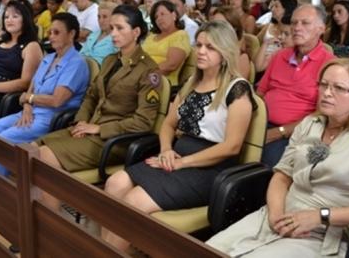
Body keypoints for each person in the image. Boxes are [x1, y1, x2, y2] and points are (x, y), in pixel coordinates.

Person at [208, 59, 349, 258]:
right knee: (204, 251)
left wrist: (321, 216)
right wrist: (275, 215)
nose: (327, 93)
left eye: (338, 88)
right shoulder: (310, 124)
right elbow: (282, 175)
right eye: (324, 85)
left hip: (321, 235)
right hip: (277, 217)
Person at [102, 21, 255, 252]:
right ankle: (104, 250)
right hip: (178, 154)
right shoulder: (191, 83)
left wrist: (183, 162)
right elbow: (168, 125)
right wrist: (166, 150)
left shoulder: (237, 89)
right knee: (114, 183)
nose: (201, 51)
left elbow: (231, 147)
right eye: (199, 45)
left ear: (225, 52)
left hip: (211, 167)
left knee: (134, 200)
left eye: (210, 47)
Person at [35, 4, 163, 210]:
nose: (113, 33)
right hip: (91, 129)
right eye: (111, 28)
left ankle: (51, 224)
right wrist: (82, 120)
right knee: (31, 149)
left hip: (114, 139)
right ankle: (42, 218)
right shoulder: (111, 60)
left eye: (120, 28)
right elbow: (92, 95)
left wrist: (99, 129)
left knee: (45, 156)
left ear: (136, 32)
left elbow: (143, 122)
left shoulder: (148, 71)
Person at [0, 13, 90, 176]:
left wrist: (28, 99)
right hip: (29, 112)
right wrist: (27, 106)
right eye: (50, 32)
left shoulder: (76, 63)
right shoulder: (48, 58)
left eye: (57, 32)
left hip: (51, 118)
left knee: (1, 143)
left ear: (71, 34)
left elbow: (57, 101)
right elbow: (31, 88)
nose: (51, 36)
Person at [257, 4, 335, 166]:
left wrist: (280, 132)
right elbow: (260, 93)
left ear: (321, 28)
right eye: (294, 23)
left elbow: (321, 114)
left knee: (266, 163)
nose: (297, 28)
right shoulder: (280, 56)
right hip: (261, 122)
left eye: (305, 23)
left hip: (296, 132)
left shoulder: (329, 65)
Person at [142, 0, 191, 86]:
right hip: (140, 79)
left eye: (162, 14)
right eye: (156, 17)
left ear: (174, 15)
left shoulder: (180, 35)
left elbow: (171, 65)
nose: (159, 19)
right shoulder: (151, 36)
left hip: (161, 83)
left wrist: (143, 75)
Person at [209, 6, 252, 82]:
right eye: (214, 24)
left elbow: (237, 88)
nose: (215, 29)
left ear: (234, 28)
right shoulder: (206, 50)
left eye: (221, 25)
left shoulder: (241, 57)